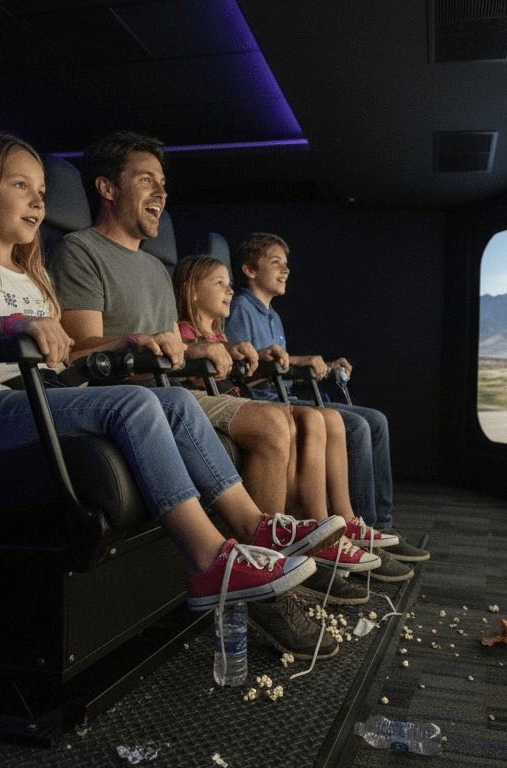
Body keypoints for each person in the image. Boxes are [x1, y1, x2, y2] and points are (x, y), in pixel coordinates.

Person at [0, 131, 339, 611]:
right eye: (21, 186)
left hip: (38, 398)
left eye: (41, 191)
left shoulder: (32, 277)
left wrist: (123, 343)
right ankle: (208, 561)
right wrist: (9, 325)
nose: (38, 202)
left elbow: (64, 360)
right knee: (135, 402)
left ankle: (254, 526)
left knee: (176, 401)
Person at [49, 132, 364, 653]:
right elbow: (80, 351)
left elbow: (171, 346)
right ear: (106, 188)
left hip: (170, 392)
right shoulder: (80, 251)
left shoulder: (156, 268)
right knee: (268, 420)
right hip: (124, 395)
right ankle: (262, 588)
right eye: (145, 180)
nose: (161, 193)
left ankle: (263, 559)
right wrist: (142, 345)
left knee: (281, 420)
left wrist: (201, 350)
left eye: (163, 183)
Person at [226, 232, 432, 577]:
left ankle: (381, 525)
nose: (285, 270)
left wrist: (322, 365)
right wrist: (299, 361)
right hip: (265, 403)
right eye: (275, 263)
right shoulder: (241, 309)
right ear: (249, 269)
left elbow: (281, 366)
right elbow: (239, 372)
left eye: (286, 264)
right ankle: (361, 531)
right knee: (357, 426)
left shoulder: (272, 314)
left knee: (376, 420)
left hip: (288, 395)